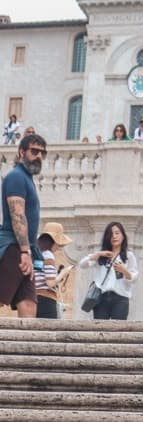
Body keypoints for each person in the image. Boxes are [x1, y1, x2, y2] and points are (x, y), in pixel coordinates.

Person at [0, 133, 47, 317]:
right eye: (34, 151)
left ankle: (28, 346)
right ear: (21, 152)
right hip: (15, 248)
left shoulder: (27, 178)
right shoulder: (16, 177)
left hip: (25, 249)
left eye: (42, 153)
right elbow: (17, 215)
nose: (39, 156)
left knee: (28, 305)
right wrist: (24, 251)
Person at [79, 222, 138, 320]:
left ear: (123, 236)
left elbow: (134, 277)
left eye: (117, 233)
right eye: (111, 234)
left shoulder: (129, 256)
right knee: (100, 330)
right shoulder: (101, 255)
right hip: (101, 297)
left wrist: (124, 271)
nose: (114, 236)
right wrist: (97, 254)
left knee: (118, 330)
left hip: (120, 298)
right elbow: (82, 264)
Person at [34, 222, 74, 319]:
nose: (58, 247)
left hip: (34, 297)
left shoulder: (37, 254)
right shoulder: (48, 255)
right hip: (46, 299)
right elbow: (50, 283)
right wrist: (63, 273)